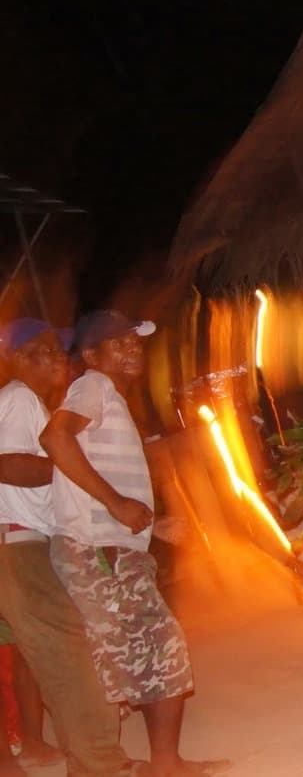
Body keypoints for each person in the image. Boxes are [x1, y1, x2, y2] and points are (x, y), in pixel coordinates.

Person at [39, 311, 226, 777]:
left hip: (108, 546)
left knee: (142, 653)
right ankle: (159, 765)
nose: (131, 350)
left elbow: (96, 476)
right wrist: (117, 504)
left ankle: (161, 763)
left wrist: (150, 524)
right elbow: (55, 438)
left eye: (135, 342)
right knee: (158, 646)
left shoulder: (109, 399)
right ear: (91, 355)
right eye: (118, 343)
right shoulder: (93, 387)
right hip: (97, 550)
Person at [0, 319, 135, 777]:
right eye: (47, 350)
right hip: (20, 542)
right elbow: (10, 466)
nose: (60, 358)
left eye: (60, 349)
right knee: (70, 650)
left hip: (14, 539)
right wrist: (72, 469)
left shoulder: (25, 402)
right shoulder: (19, 398)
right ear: (19, 358)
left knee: (31, 654)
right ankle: (99, 764)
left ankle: (43, 751)